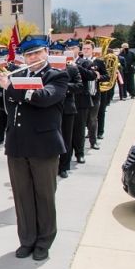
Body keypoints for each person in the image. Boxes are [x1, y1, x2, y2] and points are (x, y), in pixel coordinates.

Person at [0, 35, 68, 261]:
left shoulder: (56, 76)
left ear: (46, 53)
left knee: (44, 196)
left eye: (37, 53)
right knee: (23, 196)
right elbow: (8, 106)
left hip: (43, 146)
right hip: (17, 145)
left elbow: (42, 98)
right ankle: (27, 240)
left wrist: (10, 87)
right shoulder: (18, 75)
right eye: (29, 55)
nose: (34, 58)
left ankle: (44, 241)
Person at [51, 43, 83, 179]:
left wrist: (63, 86)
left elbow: (80, 86)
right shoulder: (47, 70)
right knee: (51, 138)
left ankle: (64, 166)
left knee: (66, 139)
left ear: (63, 54)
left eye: (58, 53)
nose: (55, 55)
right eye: (53, 53)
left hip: (67, 108)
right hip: (50, 108)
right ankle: (52, 166)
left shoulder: (71, 69)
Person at [81, 40, 108, 150]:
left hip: (94, 94)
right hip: (82, 95)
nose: (86, 50)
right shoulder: (79, 62)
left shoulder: (98, 62)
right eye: (84, 48)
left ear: (92, 50)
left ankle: (93, 142)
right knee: (81, 120)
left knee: (93, 119)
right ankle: (79, 146)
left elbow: (107, 76)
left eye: (88, 48)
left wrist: (98, 77)